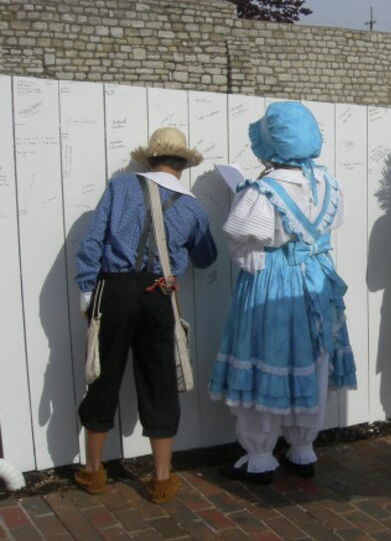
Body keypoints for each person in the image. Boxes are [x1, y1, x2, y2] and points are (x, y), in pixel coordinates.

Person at [209, 101, 356, 482]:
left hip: (274, 283)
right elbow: (329, 224)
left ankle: (259, 457)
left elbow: (244, 247)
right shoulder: (327, 183)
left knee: (267, 356)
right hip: (317, 281)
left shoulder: (262, 191)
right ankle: (302, 447)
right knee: (310, 360)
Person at [74, 127, 218, 503]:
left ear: (150, 159)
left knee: (102, 374)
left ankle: (92, 472)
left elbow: (93, 240)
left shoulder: (121, 188)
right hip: (160, 295)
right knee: (159, 381)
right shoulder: (193, 207)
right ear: (183, 164)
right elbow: (206, 258)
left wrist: (87, 292)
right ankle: (161, 478)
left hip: (114, 290)